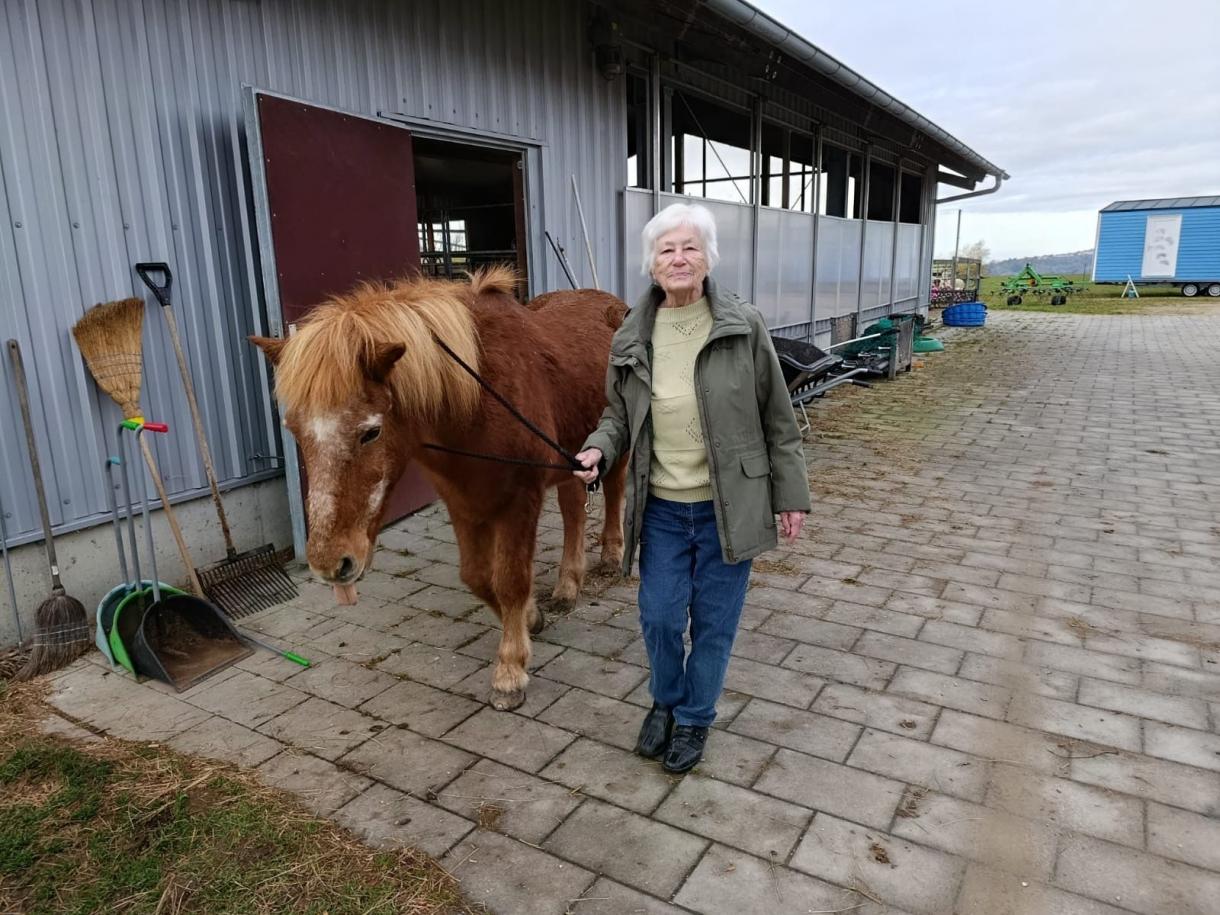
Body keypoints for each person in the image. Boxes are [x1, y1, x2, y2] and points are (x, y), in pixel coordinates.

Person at [575, 202, 811, 774]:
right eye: (666, 249)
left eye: (689, 248)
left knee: (713, 623)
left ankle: (696, 718)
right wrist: (598, 449)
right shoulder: (631, 332)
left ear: (708, 259)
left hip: (730, 506)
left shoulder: (742, 324)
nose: (678, 258)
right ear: (651, 264)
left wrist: (791, 496)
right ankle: (666, 700)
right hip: (660, 508)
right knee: (658, 616)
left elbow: (779, 418)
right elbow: (617, 416)